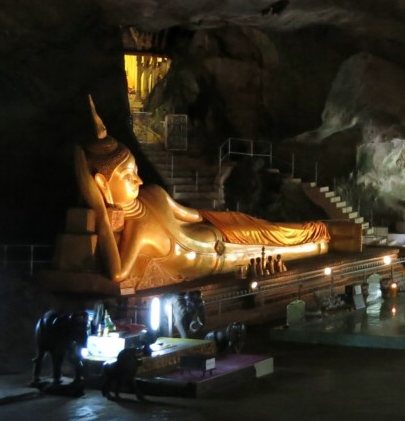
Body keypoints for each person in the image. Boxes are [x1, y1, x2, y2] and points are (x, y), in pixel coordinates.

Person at [75, 98, 331, 289]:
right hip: (219, 256)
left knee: (274, 231)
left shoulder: (153, 193)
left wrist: (231, 219)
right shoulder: (138, 230)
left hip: (218, 231)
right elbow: (117, 273)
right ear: (102, 185)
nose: (138, 180)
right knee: (305, 247)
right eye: (128, 176)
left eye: (136, 171)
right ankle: (325, 238)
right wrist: (99, 209)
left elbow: (194, 215)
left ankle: (323, 229)